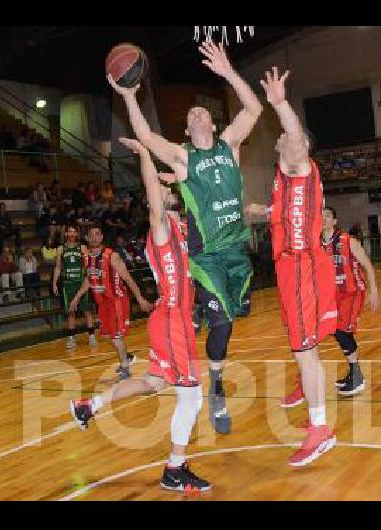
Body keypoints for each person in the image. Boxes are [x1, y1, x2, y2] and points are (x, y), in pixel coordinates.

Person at [109, 40, 262, 434]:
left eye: (202, 111)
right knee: (223, 322)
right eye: (191, 113)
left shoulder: (230, 144)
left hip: (236, 251)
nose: (196, 112)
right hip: (206, 255)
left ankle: (202, 317)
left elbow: (254, 109)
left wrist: (228, 73)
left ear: (211, 124)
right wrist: (129, 97)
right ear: (188, 129)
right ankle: (216, 385)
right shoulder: (181, 158)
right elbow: (144, 134)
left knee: (236, 314)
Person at [69, 137, 209, 492]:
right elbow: (155, 190)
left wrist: (176, 174)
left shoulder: (182, 225)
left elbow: (190, 189)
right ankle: (174, 469)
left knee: (154, 382)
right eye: (160, 192)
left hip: (172, 316)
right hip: (172, 317)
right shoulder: (160, 228)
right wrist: (146, 153)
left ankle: (90, 405)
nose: (166, 190)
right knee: (191, 396)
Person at [243, 67, 338, 466]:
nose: (281, 138)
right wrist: (263, 212)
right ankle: (309, 395)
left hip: (302, 266)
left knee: (304, 349)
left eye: (287, 137)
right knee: (303, 347)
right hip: (290, 268)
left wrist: (280, 103)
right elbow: (289, 214)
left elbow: (296, 139)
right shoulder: (284, 180)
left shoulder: (300, 166)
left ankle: (321, 429)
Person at [276, 206, 380, 407]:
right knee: (313, 334)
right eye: (320, 216)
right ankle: (309, 381)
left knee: (341, 331)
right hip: (328, 296)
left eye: (327, 216)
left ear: (334, 221)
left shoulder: (348, 240)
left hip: (351, 292)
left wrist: (374, 288)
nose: (323, 219)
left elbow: (367, 264)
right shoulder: (315, 245)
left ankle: (356, 375)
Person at [69, 225, 152, 379]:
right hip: (102, 304)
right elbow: (89, 278)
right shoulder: (87, 257)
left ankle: (125, 367)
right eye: (91, 235)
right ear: (86, 238)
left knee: (115, 336)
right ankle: (126, 357)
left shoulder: (111, 256)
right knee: (108, 336)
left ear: (101, 237)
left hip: (117, 301)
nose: (94, 237)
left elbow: (127, 278)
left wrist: (139, 298)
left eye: (97, 234)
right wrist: (77, 296)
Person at [52, 226, 97, 349]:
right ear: (66, 233)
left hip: (81, 282)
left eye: (74, 232)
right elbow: (57, 267)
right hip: (68, 284)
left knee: (86, 310)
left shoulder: (82, 247)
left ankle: (92, 336)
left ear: (77, 234)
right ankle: (71, 339)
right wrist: (54, 283)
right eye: (70, 232)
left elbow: (88, 265)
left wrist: (90, 279)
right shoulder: (61, 249)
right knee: (70, 311)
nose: (72, 234)